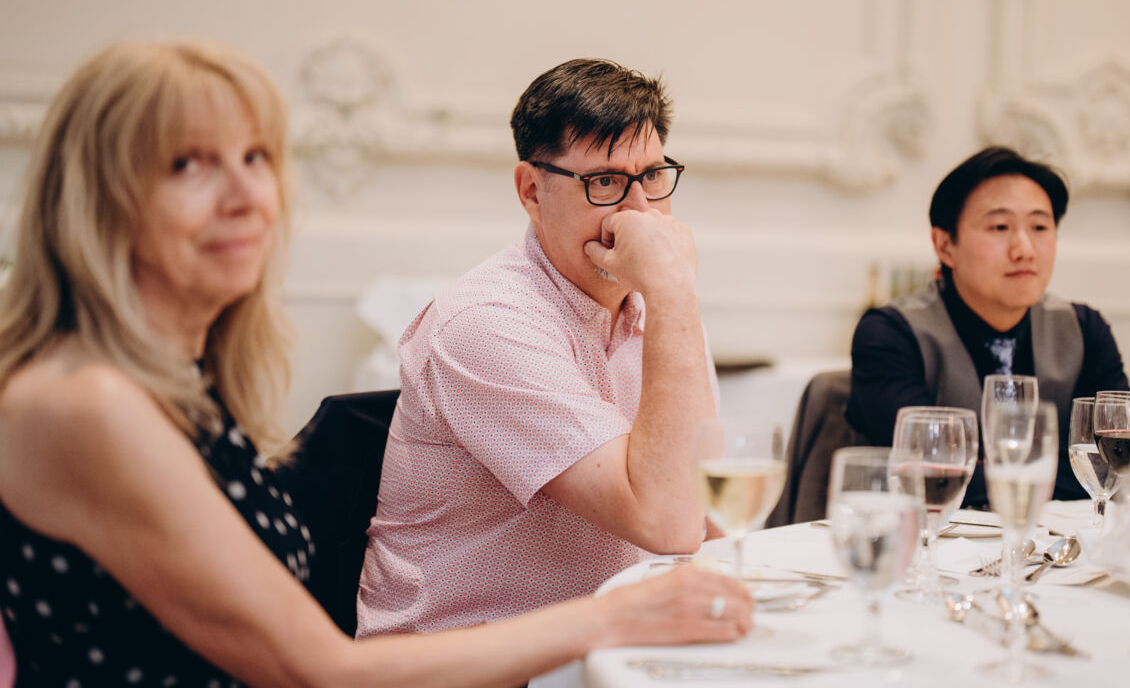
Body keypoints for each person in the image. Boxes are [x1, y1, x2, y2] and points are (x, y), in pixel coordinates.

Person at [0, 42, 751, 687]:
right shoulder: (86, 403)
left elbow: (695, 512)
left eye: (255, 157)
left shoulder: (172, 382)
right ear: (98, 198)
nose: (246, 195)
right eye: (187, 164)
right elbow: (317, 670)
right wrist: (614, 617)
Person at [358, 59, 719, 636]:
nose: (640, 214)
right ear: (531, 190)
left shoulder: (656, 300)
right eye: (605, 182)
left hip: (611, 644)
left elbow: (704, 507)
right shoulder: (486, 323)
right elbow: (669, 524)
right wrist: (676, 289)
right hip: (473, 665)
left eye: (652, 175)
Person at [846, 146, 1130, 506]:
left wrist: (995, 475)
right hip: (917, 538)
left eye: (1039, 227)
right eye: (1000, 227)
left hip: (1056, 539)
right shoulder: (890, 334)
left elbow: (1129, 460)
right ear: (945, 245)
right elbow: (927, 473)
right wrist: (1065, 472)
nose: (1024, 249)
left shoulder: (1084, 329)